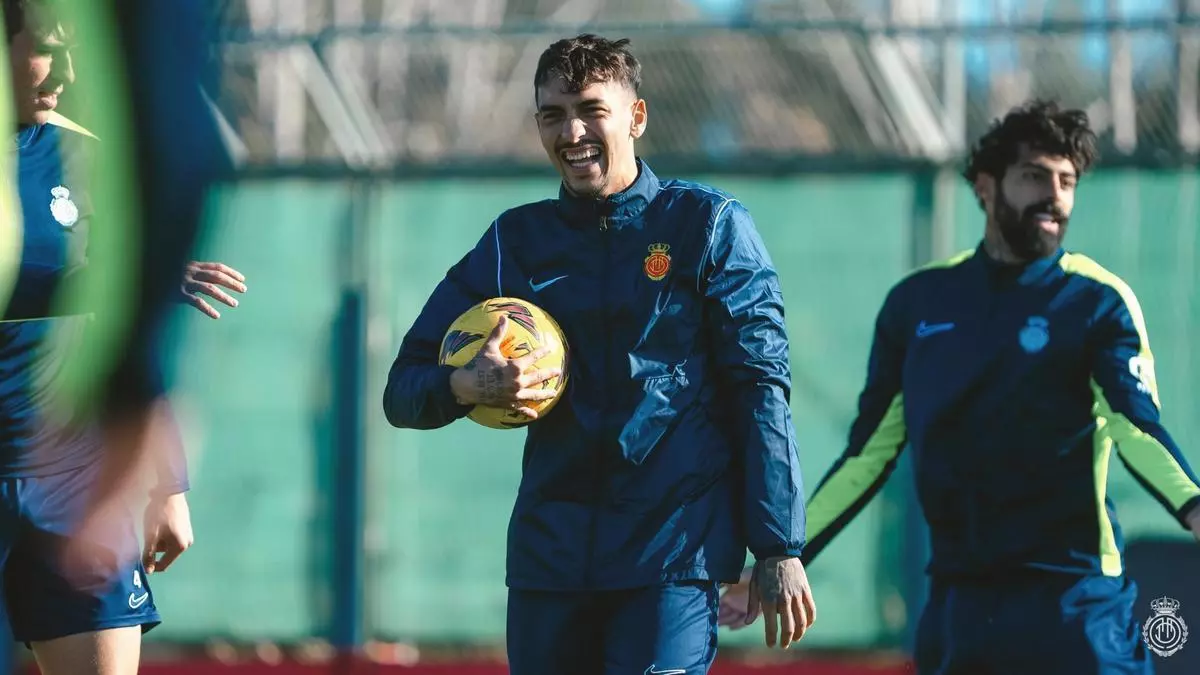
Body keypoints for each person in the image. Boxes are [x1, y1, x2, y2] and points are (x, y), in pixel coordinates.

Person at [384, 33, 816, 674]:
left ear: (636, 117)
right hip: (550, 565)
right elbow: (402, 389)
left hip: (670, 560)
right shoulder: (515, 242)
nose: (573, 132)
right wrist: (466, 386)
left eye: (592, 110)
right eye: (553, 115)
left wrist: (778, 545)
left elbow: (760, 389)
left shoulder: (708, 227)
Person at [721, 100, 1200, 673]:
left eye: (1067, 181)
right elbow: (866, 458)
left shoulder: (1098, 301)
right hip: (960, 608)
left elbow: (1136, 428)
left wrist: (1194, 507)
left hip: (1076, 603)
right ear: (985, 186)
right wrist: (783, 558)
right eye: (1034, 176)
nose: (1054, 196)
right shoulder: (916, 304)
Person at [0, 1, 244, 673]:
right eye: (47, 49)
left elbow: (119, 303)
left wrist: (169, 486)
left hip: (70, 476)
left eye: (74, 51)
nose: (67, 71)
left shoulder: (92, 155)